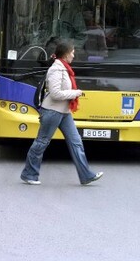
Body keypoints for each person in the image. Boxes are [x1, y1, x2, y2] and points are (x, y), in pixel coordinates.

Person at [20, 40, 103, 185]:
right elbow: (55, 94)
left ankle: (86, 175)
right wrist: (75, 93)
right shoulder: (56, 70)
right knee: (41, 142)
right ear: (65, 54)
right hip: (52, 111)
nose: (73, 54)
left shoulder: (65, 69)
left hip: (64, 112)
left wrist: (73, 93)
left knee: (76, 142)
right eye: (72, 52)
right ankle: (29, 174)